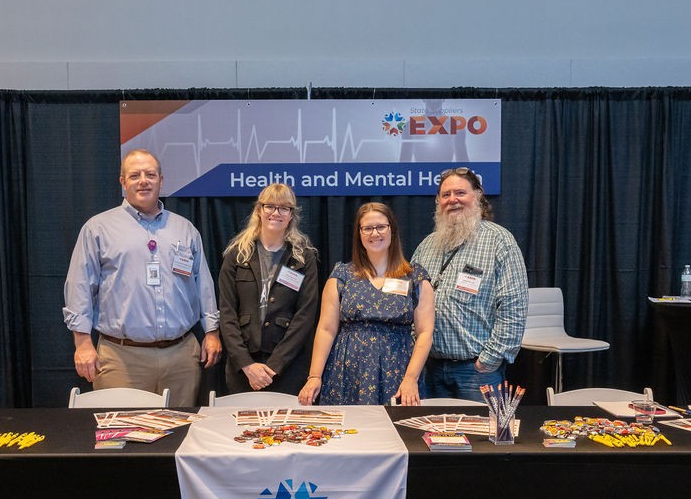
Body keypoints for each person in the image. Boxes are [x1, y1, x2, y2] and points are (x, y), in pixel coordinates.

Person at [63, 148, 222, 407]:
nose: (143, 181)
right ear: (123, 182)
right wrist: (82, 344)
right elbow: (80, 287)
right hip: (121, 358)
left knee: (179, 433)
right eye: (135, 175)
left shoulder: (185, 229)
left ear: (161, 180)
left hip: (181, 357)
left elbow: (202, 284)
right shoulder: (98, 228)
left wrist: (212, 332)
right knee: (121, 437)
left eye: (150, 174)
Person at [298, 202, 434, 406]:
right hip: (347, 372)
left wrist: (411, 378)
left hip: (399, 372)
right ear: (359, 234)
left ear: (392, 230)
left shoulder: (415, 277)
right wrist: (314, 376)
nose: (374, 233)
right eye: (367, 228)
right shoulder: (341, 275)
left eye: (381, 227)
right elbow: (326, 329)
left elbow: (425, 332)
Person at [411, 167, 528, 401]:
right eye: (445, 195)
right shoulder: (427, 246)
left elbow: (514, 308)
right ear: (438, 201)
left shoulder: (499, 241)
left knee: (480, 437)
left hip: (476, 373)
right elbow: (409, 299)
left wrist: (488, 361)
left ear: (477, 196)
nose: (452, 200)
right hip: (429, 369)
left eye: (460, 193)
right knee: (428, 436)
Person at [218, 183, 319, 395]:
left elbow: (305, 316)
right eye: (270, 206)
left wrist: (274, 366)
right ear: (258, 210)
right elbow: (227, 314)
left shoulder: (303, 257)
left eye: (284, 208)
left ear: (292, 215)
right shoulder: (236, 255)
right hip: (243, 368)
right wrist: (246, 364)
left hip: (287, 368)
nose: (276, 213)